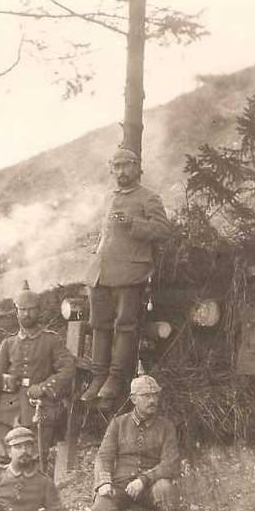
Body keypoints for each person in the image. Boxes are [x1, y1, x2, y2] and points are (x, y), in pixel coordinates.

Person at [81, 148, 172, 402]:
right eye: (116, 166)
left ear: (137, 167)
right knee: (99, 325)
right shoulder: (107, 198)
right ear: (111, 169)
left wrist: (133, 223)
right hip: (100, 272)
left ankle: (115, 378)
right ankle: (98, 376)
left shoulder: (149, 198)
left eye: (126, 166)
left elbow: (164, 230)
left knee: (124, 326)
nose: (121, 171)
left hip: (130, 272)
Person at [91, 375, 187, 511]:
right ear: (133, 399)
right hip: (122, 486)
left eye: (155, 395)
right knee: (101, 503)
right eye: (146, 396)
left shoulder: (166, 426)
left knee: (165, 488)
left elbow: (171, 464)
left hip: (150, 487)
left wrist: (145, 480)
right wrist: (104, 481)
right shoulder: (118, 424)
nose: (152, 400)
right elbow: (103, 456)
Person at [0, 283, 75, 464]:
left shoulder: (51, 340)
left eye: (31, 310)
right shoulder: (8, 344)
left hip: (38, 403)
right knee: (3, 452)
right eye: (22, 310)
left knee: (36, 456)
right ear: (16, 312)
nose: (27, 314)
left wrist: (44, 387)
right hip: (10, 404)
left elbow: (68, 368)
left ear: (38, 311)